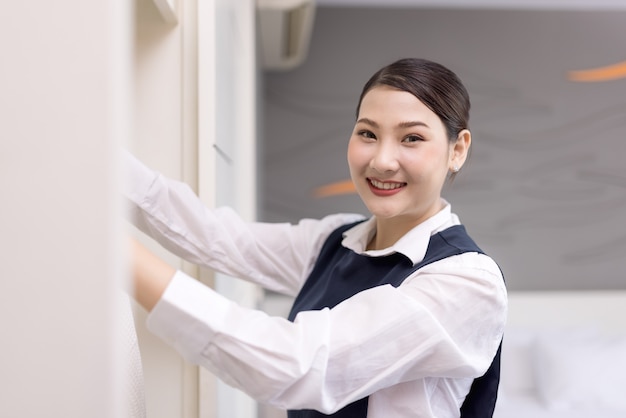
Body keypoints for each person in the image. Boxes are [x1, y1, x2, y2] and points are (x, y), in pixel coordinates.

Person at [126, 58, 507, 418]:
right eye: (368, 133)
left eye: (411, 138)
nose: (381, 160)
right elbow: (217, 237)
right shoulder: (336, 240)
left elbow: (299, 364)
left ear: (457, 150)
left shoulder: (467, 283)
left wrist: (118, 254)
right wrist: (96, 162)